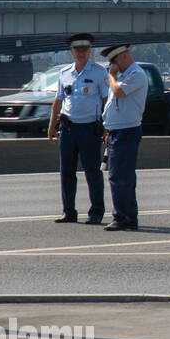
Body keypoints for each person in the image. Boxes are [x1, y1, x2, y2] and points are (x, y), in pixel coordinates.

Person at [47, 33, 109, 224]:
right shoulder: (65, 72)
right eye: (77, 50)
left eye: (85, 49)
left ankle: (96, 212)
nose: (81, 53)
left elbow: (106, 100)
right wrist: (51, 125)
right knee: (66, 172)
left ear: (90, 51)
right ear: (71, 51)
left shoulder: (99, 72)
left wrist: (106, 126)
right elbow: (59, 100)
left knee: (92, 172)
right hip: (68, 128)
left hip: (90, 128)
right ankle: (69, 211)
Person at [99, 43, 149, 232]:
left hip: (126, 132)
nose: (113, 66)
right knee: (119, 175)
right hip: (116, 132)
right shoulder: (125, 76)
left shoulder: (136, 75)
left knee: (120, 177)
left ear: (123, 57)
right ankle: (126, 216)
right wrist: (107, 127)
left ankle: (123, 217)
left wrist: (111, 76)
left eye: (114, 62)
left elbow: (118, 92)